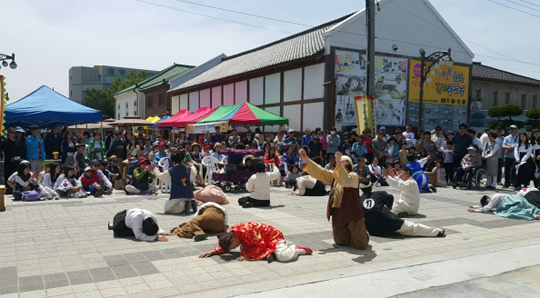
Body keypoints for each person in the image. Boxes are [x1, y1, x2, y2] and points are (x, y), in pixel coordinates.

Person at [300, 149, 369, 249]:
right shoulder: (334, 176)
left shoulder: (354, 176)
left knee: (361, 245)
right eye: (338, 161)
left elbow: (346, 181)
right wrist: (306, 158)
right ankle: (350, 234)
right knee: (341, 241)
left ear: (348, 163)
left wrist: (338, 163)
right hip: (338, 209)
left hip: (352, 210)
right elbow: (321, 172)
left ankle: (363, 233)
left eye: (342, 160)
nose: (339, 161)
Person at [359, 179, 446, 237]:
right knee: (413, 228)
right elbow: (390, 197)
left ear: (361, 190)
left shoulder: (359, 199)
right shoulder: (378, 194)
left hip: (371, 229)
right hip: (390, 221)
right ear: (371, 187)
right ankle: (437, 232)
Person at [199, 222, 312, 262]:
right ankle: (269, 253)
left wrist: (248, 255)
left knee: (283, 257)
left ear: (232, 240)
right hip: (259, 240)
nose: (233, 249)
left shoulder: (247, 232)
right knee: (243, 252)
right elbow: (227, 245)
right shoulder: (233, 233)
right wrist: (214, 251)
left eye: (232, 247)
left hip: (273, 238)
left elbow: (261, 244)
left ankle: (296, 250)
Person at [108, 208, 174, 241]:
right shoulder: (136, 219)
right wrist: (155, 237)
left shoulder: (152, 217)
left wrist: (162, 232)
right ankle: (114, 226)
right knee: (119, 233)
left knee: (136, 230)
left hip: (131, 216)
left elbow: (156, 227)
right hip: (121, 219)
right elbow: (139, 236)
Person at [468, 194, 540, 220]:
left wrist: (475, 210)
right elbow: (486, 206)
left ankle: (533, 215)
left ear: (487, 200)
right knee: (519, 209)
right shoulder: (492, 197)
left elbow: (487, 208)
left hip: (511, 202)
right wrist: (475, 206)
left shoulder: (494, 198)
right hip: (511, 201)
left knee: (513, 212)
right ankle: (534, 214)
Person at [3, 128, 23, 194]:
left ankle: (16, 188)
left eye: (14, 132)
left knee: (16, 174)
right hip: (9, 161)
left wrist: (18, 157)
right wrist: (12, 158)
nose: (13, 134)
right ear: (8, 133)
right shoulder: (5, 142)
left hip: (17, 161)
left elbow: (20, 150)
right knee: (9, 174)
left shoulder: (17, 141)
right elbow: (6, 151)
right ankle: (8, 189)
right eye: (11, 132)